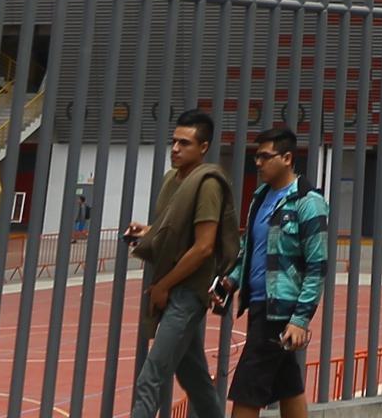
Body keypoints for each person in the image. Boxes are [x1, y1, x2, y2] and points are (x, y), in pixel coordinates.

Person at [124, 110, 235, 418]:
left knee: (152, 375)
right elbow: (173, 231)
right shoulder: (172, 180)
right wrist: (147, 232)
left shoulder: (207, 184)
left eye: (185, 143)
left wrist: (163, 285)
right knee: (194, 377)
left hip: (186, 293)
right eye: (174, 141)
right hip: (174, 287)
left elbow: (203, 248)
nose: (175, 148)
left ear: (203, 147)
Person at [215, 124, 329, 418]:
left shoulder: (308, 202)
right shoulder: (260, 197)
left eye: (265, 156)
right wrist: (230, 281)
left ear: (288, 158)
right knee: (287, 385)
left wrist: (300, 320)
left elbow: (317, 267)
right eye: (257, 156)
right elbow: (251, 249)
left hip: (280, 312)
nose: (258, 162)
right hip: (258, 306)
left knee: (247, 389)